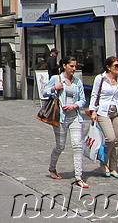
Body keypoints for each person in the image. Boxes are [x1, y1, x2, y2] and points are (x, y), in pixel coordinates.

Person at [42, 55, 88, 188]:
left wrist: (74, 105)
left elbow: (83, 99)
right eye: (71, 66)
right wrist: (53, 88)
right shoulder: (56, 79)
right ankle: (52, 167)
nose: (74, 69)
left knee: (77, 146)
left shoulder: (77, 82)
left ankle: (78, 177)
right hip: (61, 117)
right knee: (60, 146)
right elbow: (44, 93)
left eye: (75, 66)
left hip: (75, 117)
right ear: (64, 66)